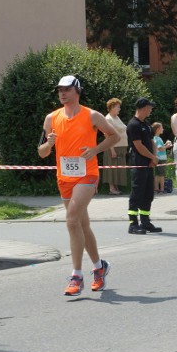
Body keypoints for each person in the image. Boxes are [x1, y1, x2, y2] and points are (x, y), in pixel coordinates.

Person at [38, 75, 118, 296]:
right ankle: (99, 267)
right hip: (64, 177)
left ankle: (76, 275)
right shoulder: (51, 118)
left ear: (77, 91)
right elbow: (42, 152)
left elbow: (114, 136)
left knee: (72, 219)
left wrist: (95, 150)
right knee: (81, 225)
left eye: (66, 89)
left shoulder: (92, 115)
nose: (62, 93)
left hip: (87, 174)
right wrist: (49, 143)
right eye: (59, 90)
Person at [127, 97, 162, 234]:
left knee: (148, 194)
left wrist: (154, 158)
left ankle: (145, 221)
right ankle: (133, 224)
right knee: (137, 194)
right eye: (149, 107)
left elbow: (151, 141)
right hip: (139, 164)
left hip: (148, 164)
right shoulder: (133, 125)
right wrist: (152, 157)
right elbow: (138, 146)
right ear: (143, 108)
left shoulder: (146, 124)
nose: (151, 110)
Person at [102, 97, 128, 195]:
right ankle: (111, 188)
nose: (119, 109)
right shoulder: (108, 118)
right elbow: (107, 134)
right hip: (113, 147)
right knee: (112, 168)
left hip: (121, 146)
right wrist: (112, 149)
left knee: (118, 168)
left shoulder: (116, 117)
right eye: (117, 107)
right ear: (112, 107)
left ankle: (116, 187)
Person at [152, 122, 172, 193]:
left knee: (157, 174)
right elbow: (160, 149)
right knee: (162, 174)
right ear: (157, 129)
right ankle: (162, 189)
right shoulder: (158, 139)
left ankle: (156, 188)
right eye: (161, 128)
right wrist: (167, 146)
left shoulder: (154, 138)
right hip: (161, 158)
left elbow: (159, 147)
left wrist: (165, 144)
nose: (163, 129)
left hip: (157, 158)